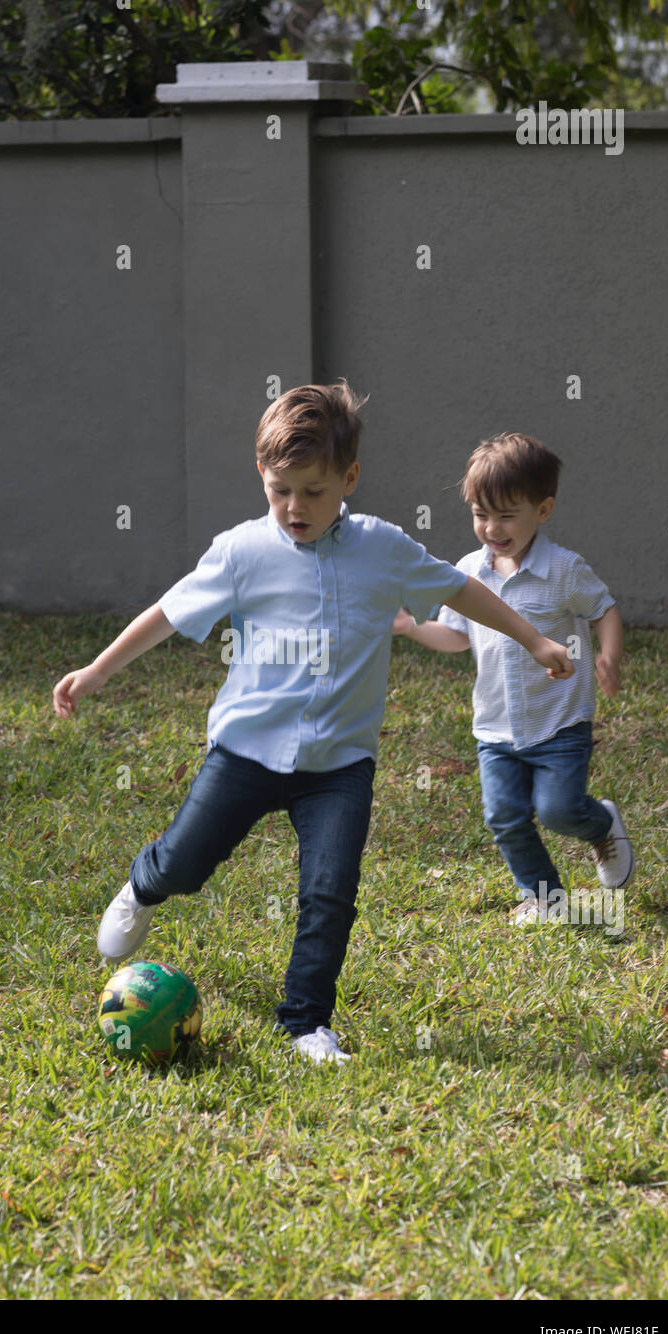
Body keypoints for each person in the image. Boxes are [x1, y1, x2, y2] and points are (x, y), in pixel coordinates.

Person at [53, 387, 573, 1063]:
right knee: (185, 863)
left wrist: (533, 640)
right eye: (280, 491)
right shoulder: (242, 552)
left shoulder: (382, 548)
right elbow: (168, 611)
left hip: (338, 767)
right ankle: (145, 885)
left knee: (329, 893)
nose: (295, 508)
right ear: (262, 479)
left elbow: (459, 589)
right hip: (244, 752)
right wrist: (96, 670)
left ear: (348, 480)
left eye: (314, 491)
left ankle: (306, 1023)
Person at [394, 431, 633, 925]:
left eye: (506, 515)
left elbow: (603, 608)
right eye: (481, 514)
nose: (491, 528)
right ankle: (545, 897)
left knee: (559, 810)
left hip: (560, 721)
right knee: (504, 816)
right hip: (496, 729)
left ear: (542, 511)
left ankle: (600, 824)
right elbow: (456, 636)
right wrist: (409, 626)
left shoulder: (564, 570)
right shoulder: (467, 573)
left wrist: (609, 654)